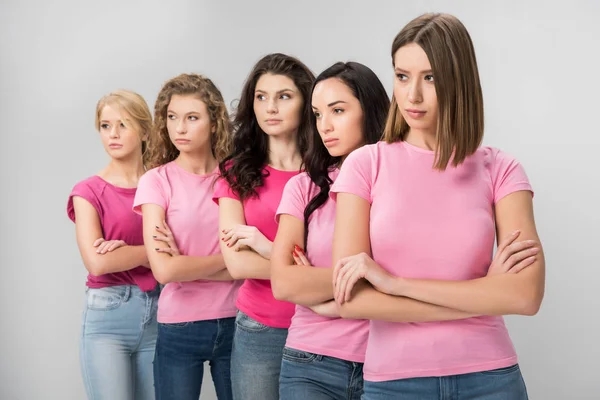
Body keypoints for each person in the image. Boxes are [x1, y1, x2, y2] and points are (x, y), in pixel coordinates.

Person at [330, 13, 544, 400]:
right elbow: (351, 299)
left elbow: (525, 297)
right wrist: (484, 294)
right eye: (401, 76)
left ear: (457, 80)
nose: (412, 95)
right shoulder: (366, 165)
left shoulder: (501, 169)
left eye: (430, 77)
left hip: (491, 377)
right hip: (394, 383)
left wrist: (394, 285)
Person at [271, 61, 389, 400]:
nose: (325, 125)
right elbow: (283, 282)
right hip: (310, 361)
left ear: (370, 109)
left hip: (389, 362)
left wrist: (321, 297)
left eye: (337, 110)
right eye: (318, 114)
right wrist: (370, 277)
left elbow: (418, 276)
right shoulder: (302, 187)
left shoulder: (399, 182)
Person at [213, 53, 315, 400]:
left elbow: (343, 259)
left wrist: (266, 249)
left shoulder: (329, 172)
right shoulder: (234, 171)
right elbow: (237, 263)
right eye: (261, 97)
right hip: (260, 329)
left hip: (325, 327)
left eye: (284, 96)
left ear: (306, 102)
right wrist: (306, 268)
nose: (270, 107)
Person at [133, 73, 240, 400]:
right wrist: (232, 263)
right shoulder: (156, 181)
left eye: (192, 118)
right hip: (180, 326)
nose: (179, 128)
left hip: (240, 324)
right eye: (172, 117)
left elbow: (257, 260)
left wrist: (186, 263)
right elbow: (164, 271)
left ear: (214, 121)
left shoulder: (237, 175)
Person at [67, 89, 159, 400]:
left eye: (124, 124)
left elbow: (184, 248)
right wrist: (153, 252)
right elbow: (98, 262)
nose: (113, 134)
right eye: (106, 126)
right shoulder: (87, 191)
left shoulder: (163, 183)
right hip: (108, 316)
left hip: (162, 311)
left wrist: (128, 252)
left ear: (145, 131)